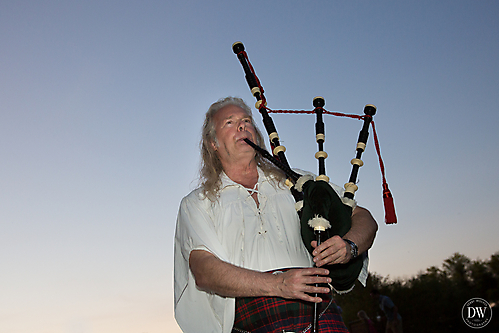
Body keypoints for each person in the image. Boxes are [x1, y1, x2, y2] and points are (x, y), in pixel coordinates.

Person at [174, 97, 378, 333]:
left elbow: (363, 217)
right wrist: (278, 284)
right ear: (212, 143)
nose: (242, 126)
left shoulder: (296, 181)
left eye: (247, 120)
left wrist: (349, 246)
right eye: (229, 122)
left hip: (318, 311)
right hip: (250, 320)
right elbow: (204, 270)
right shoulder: (198, 203)